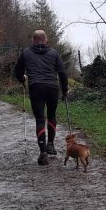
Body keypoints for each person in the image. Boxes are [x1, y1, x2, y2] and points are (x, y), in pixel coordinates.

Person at [14, 29, 69, 166]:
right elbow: (62, 73)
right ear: (46, 40)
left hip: (36, 87)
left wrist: (22, 79)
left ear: (33, 40)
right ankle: (50, 144)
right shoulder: (54, 53)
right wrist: (65, 89)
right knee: (51, 116)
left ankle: (43, 153)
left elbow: (17, 71)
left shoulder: (26, 53)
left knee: (40, 118)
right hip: (52, 88)